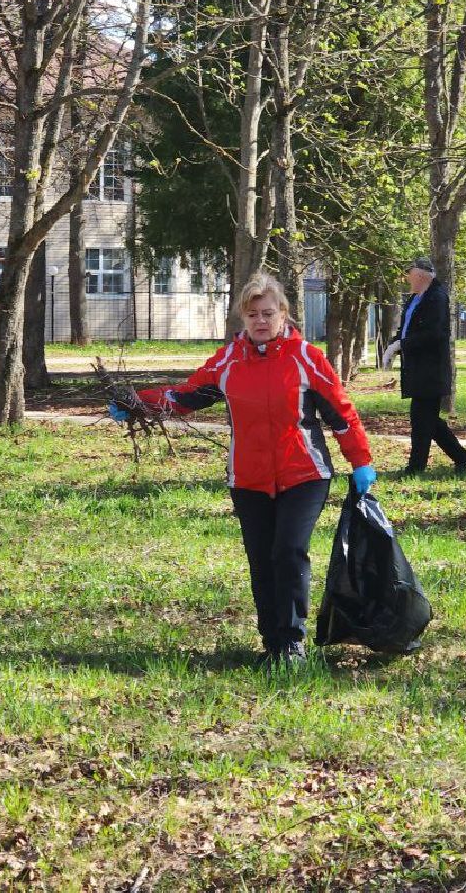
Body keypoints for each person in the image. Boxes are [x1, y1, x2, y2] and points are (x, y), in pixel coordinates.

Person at [108, 273, 376, 667]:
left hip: (305, 474)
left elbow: (341, 413)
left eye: (268, 313)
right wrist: (138, 403)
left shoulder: (306, 358)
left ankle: (291, 642)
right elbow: (185, 396)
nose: (261, 321)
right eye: (252, 315)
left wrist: (361, 462)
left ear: (283, 313)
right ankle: (272, 641)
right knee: (261, 558)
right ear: (243, 319)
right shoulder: (229, 360)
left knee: (288, 552)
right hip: (248, 478)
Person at [380, 257, 466, 475]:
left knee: (422, 420)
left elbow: (434, 334)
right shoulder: (414, 298)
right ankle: (463, 458)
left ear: (421, 275)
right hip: (416, 369)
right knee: (428, 420)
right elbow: (406, 330)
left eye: (409, 273)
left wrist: (401, 345)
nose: (407, 278)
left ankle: (416, 468)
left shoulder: (437, 298)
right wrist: (395, 345)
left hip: (431, 370)